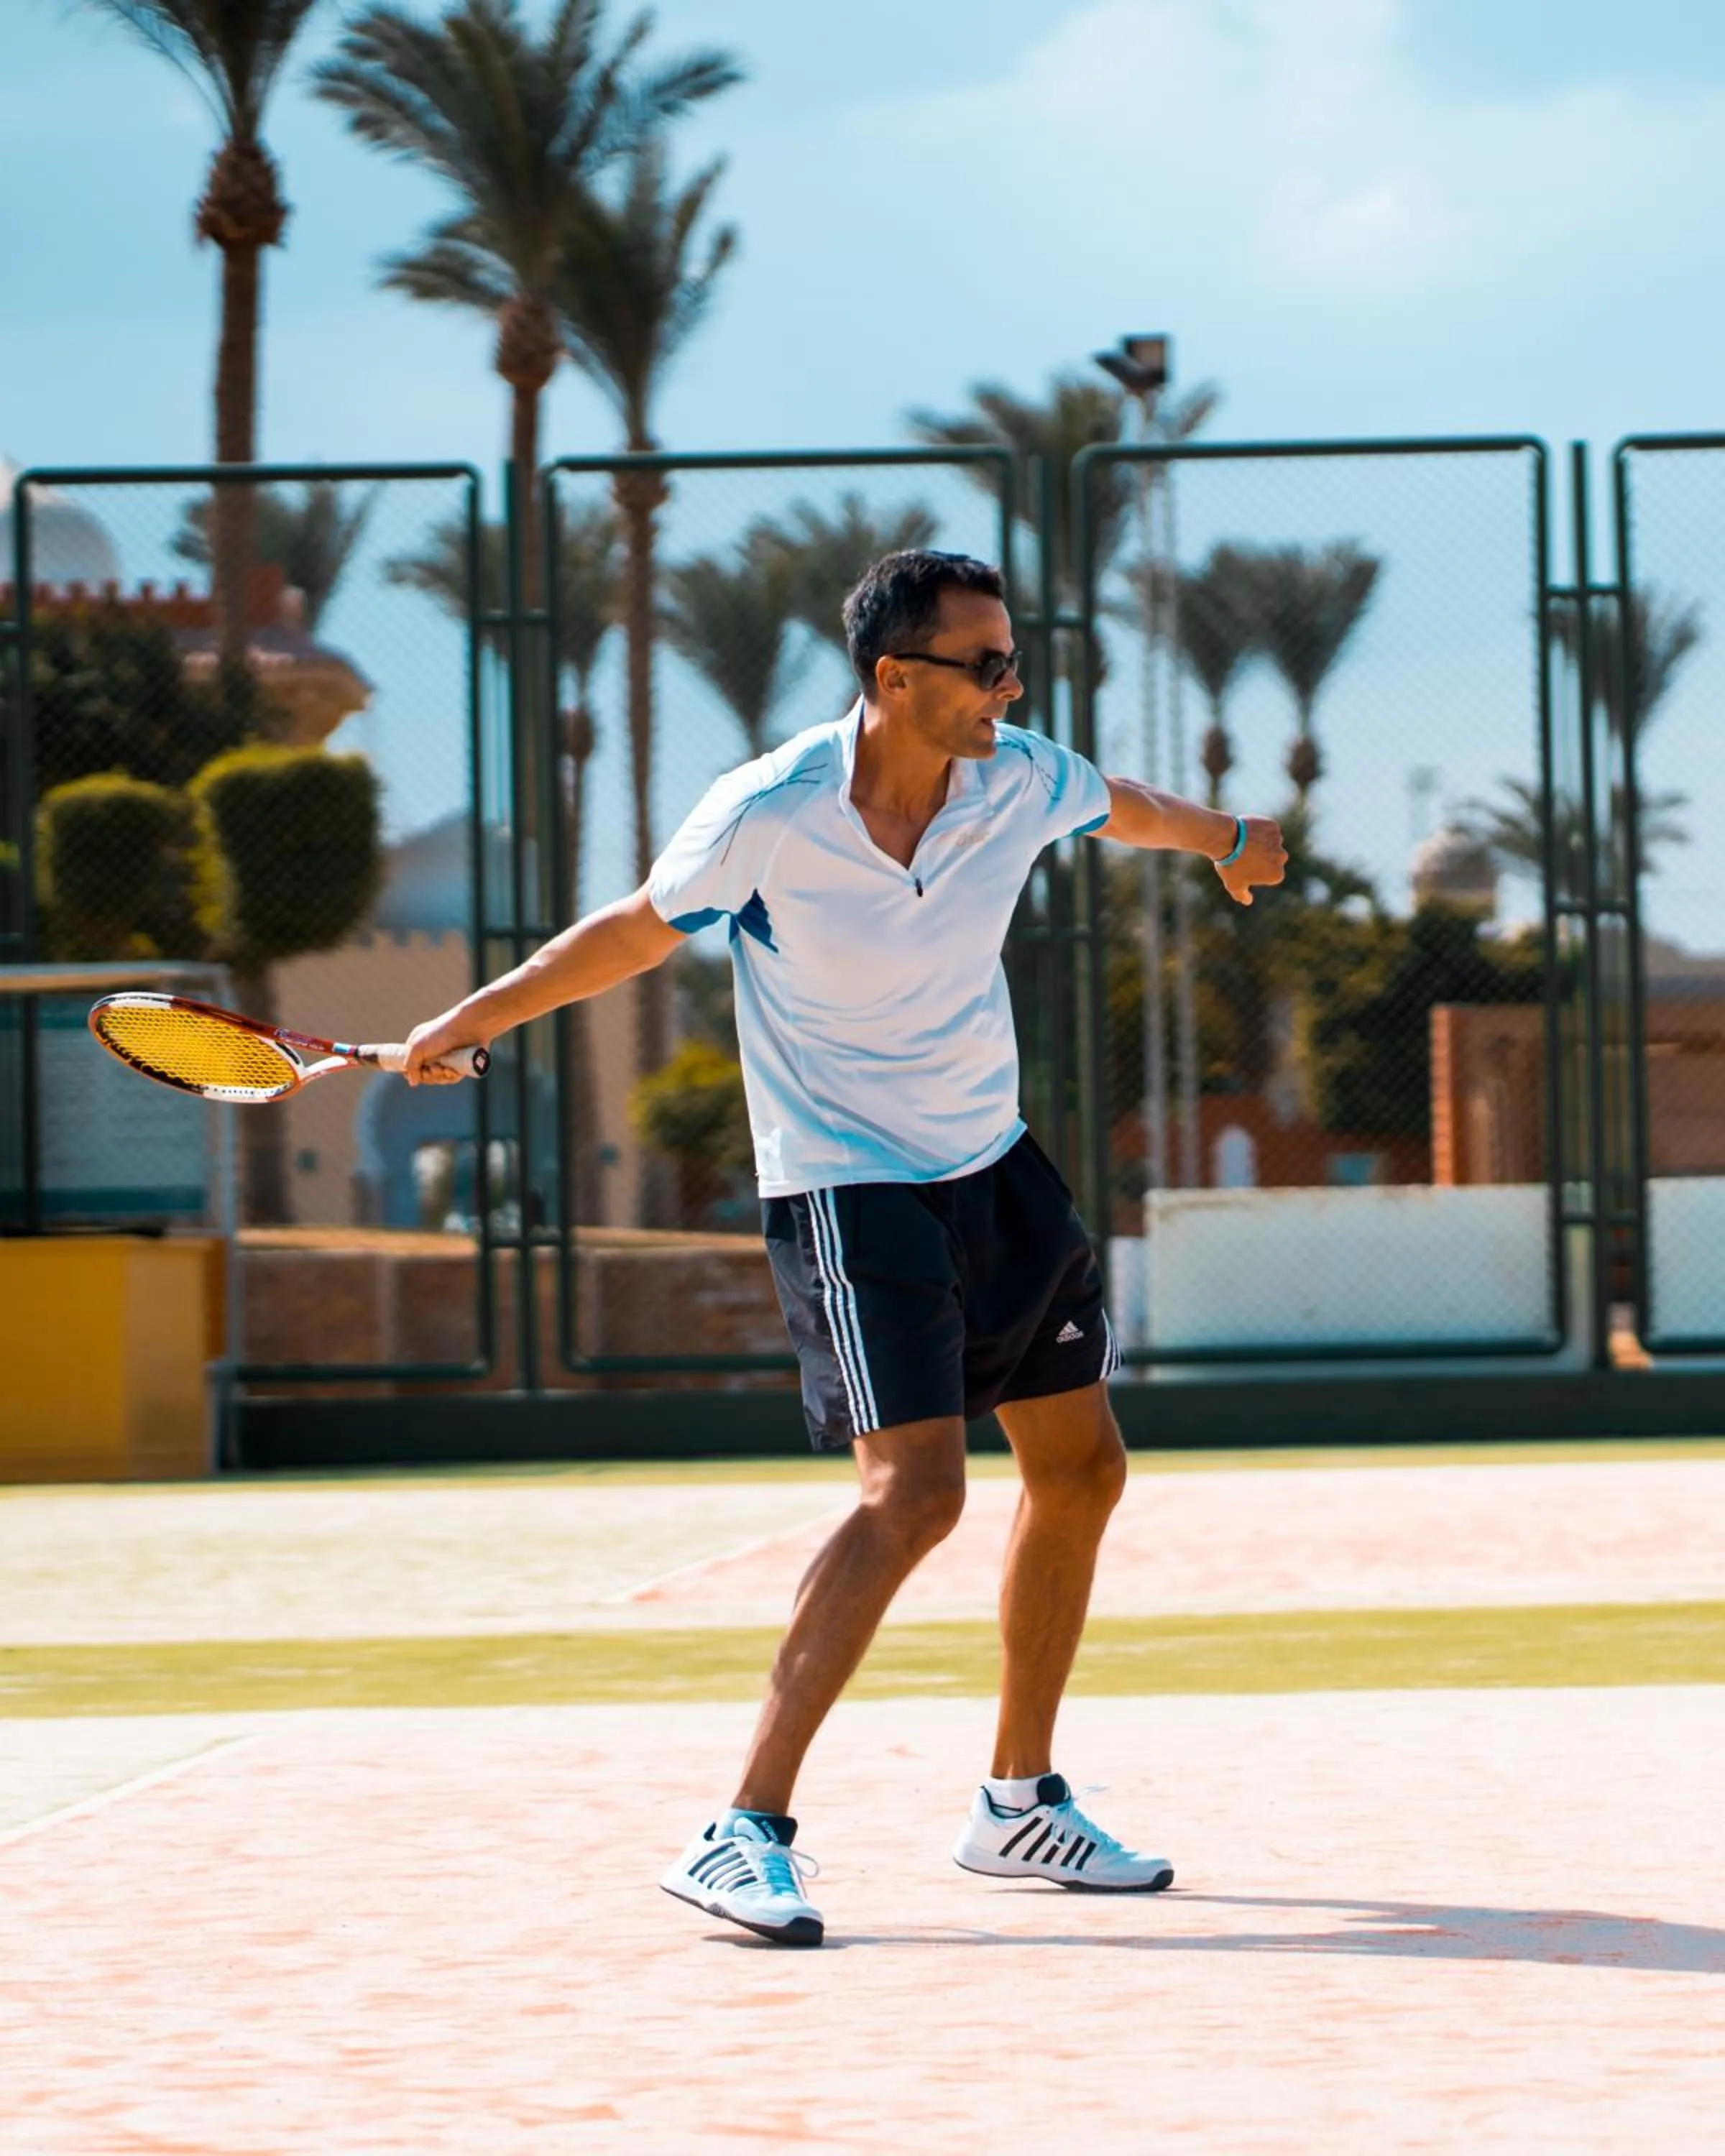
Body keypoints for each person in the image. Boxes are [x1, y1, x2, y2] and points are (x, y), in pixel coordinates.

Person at [404, 549, 1287, 1949]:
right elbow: (637, 931)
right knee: (914, 1494)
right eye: (986, 662)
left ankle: (1017, 1800)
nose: (1013, 682)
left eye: (1013, 657)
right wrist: (473, 1021)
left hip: (994, 1167)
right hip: (846, 1185)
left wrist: (1233, 838)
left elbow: (1133, 808)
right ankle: (738, 1829)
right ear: (895, 678)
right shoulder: (771, 812)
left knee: (1083, 1467)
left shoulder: (1017, 776)